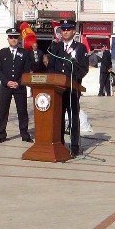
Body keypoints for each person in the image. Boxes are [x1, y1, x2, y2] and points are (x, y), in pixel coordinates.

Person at [45, 19, 87, 156]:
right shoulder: (55, 47)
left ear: (73, 31)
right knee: (58, 118)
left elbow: (84, 69)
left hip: (72, 89)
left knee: (73, 117)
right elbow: (51, 67)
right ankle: (60, 144)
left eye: (68, 29)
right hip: (58, 89)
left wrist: (73, 77)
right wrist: (53, 79)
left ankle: (74, 146)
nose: (65, 31)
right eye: (63, 29)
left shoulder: (80, 48)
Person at [0, 27, 33, 143]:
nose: (13, 39)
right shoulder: (2, 53)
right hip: (6, 86)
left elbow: (27, 70)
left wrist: (19, 82)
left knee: (22, 111)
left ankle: (24, 134)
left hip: (19, 87)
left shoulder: (25, 53)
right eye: (11, 37)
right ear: (8, 39)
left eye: (15, 37)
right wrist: (6, 82)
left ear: (19, 39)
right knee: (3, 111)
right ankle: (1, 134)